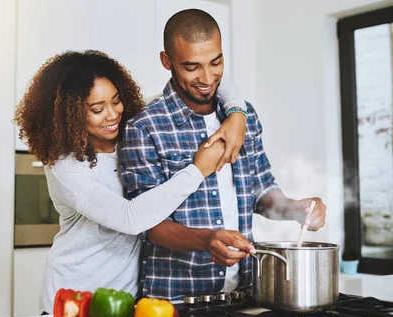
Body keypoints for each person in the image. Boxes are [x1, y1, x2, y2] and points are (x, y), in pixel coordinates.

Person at [14, 50, 251, 314]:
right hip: (74, 299)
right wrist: (198, 170)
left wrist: (237, 114)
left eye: (116, 101)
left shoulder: (133, 130)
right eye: (97, 109)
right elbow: (131, 219)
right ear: (67, 116)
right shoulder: (66, 166)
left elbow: (216, 81)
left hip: (127, 299)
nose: (112, 114)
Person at [120, 9, 327, 301]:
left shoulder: (245, 115)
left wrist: (296, 210)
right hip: (175, 300)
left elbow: (260, 190)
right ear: (167, 61)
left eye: (216, 62)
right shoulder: (145, 127)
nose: (207, 77)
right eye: (192, 67)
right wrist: (206, 240)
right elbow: (147, 223)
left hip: (245, 294)